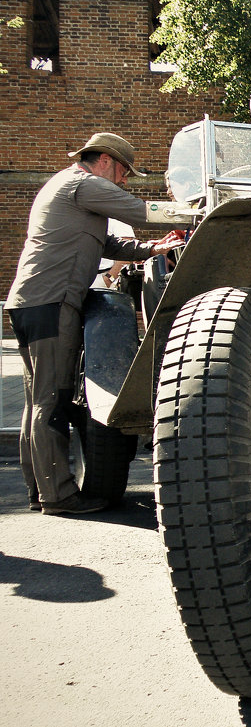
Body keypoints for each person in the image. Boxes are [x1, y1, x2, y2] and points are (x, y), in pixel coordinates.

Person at [5, 133, 185, 516]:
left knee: (37, 401)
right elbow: (140, 212)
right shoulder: (82, 184)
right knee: (50, 401)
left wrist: (154, 249)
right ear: (104, 160)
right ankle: (59, 498)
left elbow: (107, 245)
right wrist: (195, 214)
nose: (123, 180)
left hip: (35, 301)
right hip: (52, 301)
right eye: (123, 172)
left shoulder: (71, 189)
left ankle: (40, 491)